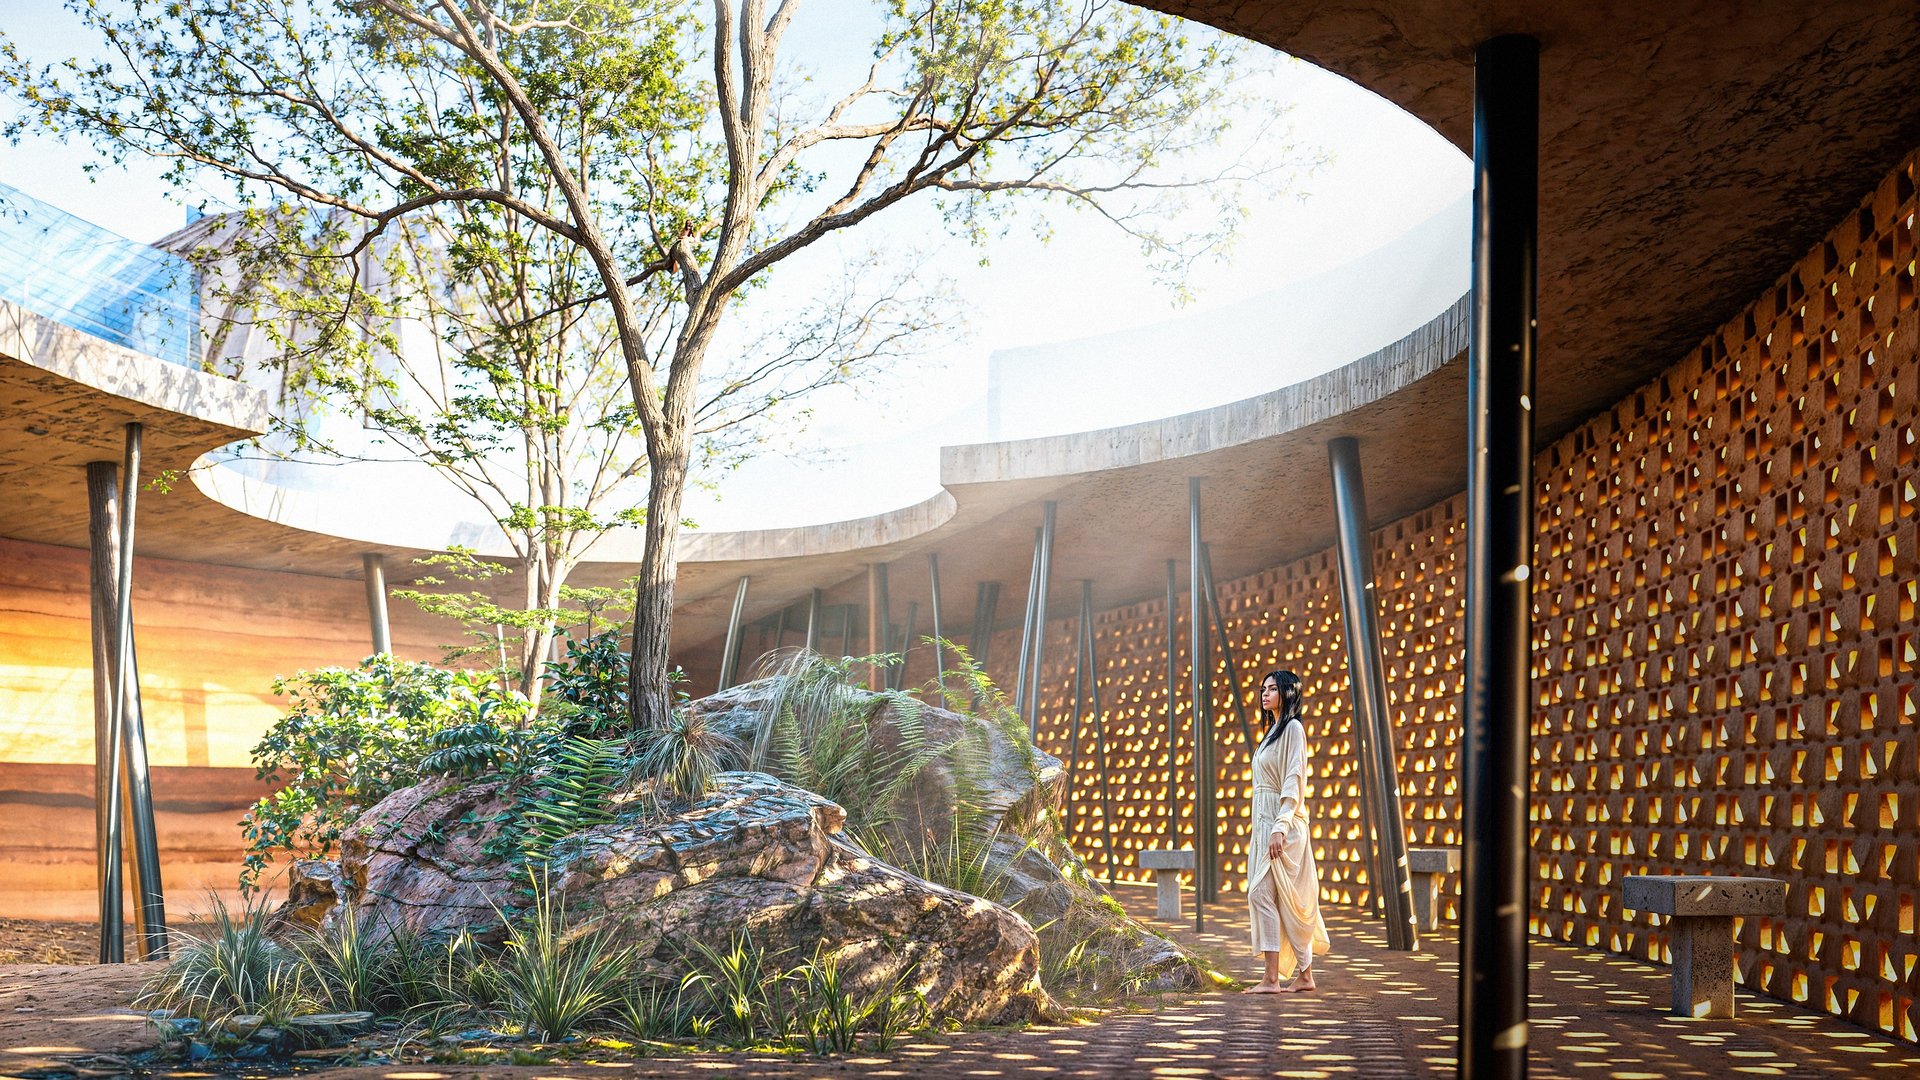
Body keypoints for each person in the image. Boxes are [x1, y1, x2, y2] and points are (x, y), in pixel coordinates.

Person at [1243, 669, 1330, 993]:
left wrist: (1279, 827)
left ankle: (1272, 979)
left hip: (1284, 824)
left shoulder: (1293, 728)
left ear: (1287, 692)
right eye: (1263, 689)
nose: (1264, 694)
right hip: (1264, 822)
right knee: (1278, 898)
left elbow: (1294, 779)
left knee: (1264, 894)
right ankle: (1304, 976)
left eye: (1271, 689)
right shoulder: (1272, 731)